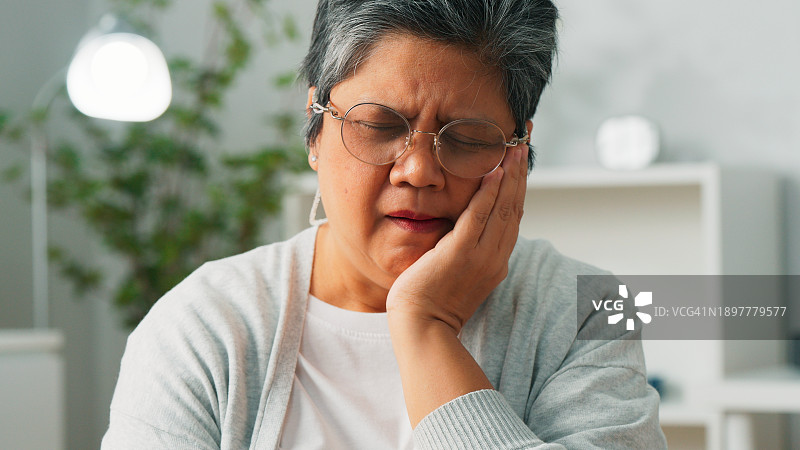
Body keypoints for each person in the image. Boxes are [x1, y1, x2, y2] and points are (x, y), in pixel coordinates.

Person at [102, 0, 667, 448]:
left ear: (519, 149)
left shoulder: (586, 310)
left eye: (468, 138)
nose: (418, 171)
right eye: (378, 125)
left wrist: (426, 326)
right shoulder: (204, 327)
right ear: (315, 129)